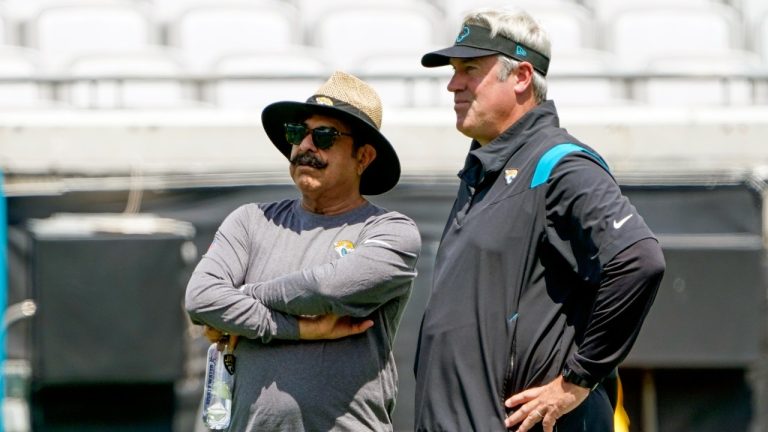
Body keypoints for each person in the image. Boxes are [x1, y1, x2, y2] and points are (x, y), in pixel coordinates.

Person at [413, 8, 665, 432]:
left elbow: (640, 261)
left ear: (522, 76)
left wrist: (577, 380)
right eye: (454, 71)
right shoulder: (487, 169)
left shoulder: (559, 164)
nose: (453, 83)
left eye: (469, 69)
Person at [185, 71, 421, 431]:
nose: (306, 146)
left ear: (364, 156)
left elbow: (326, 289)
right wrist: (300, 329)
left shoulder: (391, 231)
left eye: (325, 136)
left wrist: (240, 299)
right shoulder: (250, 220)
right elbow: (201, 299)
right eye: (298, 133)